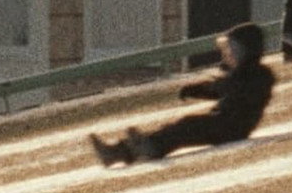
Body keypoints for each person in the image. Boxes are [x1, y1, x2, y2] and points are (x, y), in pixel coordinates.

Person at [90, 22, 275, 166]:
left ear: (246, 51)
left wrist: (206, 87)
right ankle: (118, 152)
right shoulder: (244, 74)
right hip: (223, 123)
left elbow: (230, 88)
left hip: (233, 127)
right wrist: (196, 90)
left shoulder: (259, 75)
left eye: (233, 50)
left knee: (186, 126)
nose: (229, 55)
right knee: (179, 127)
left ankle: (151, 147)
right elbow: (221, 88)